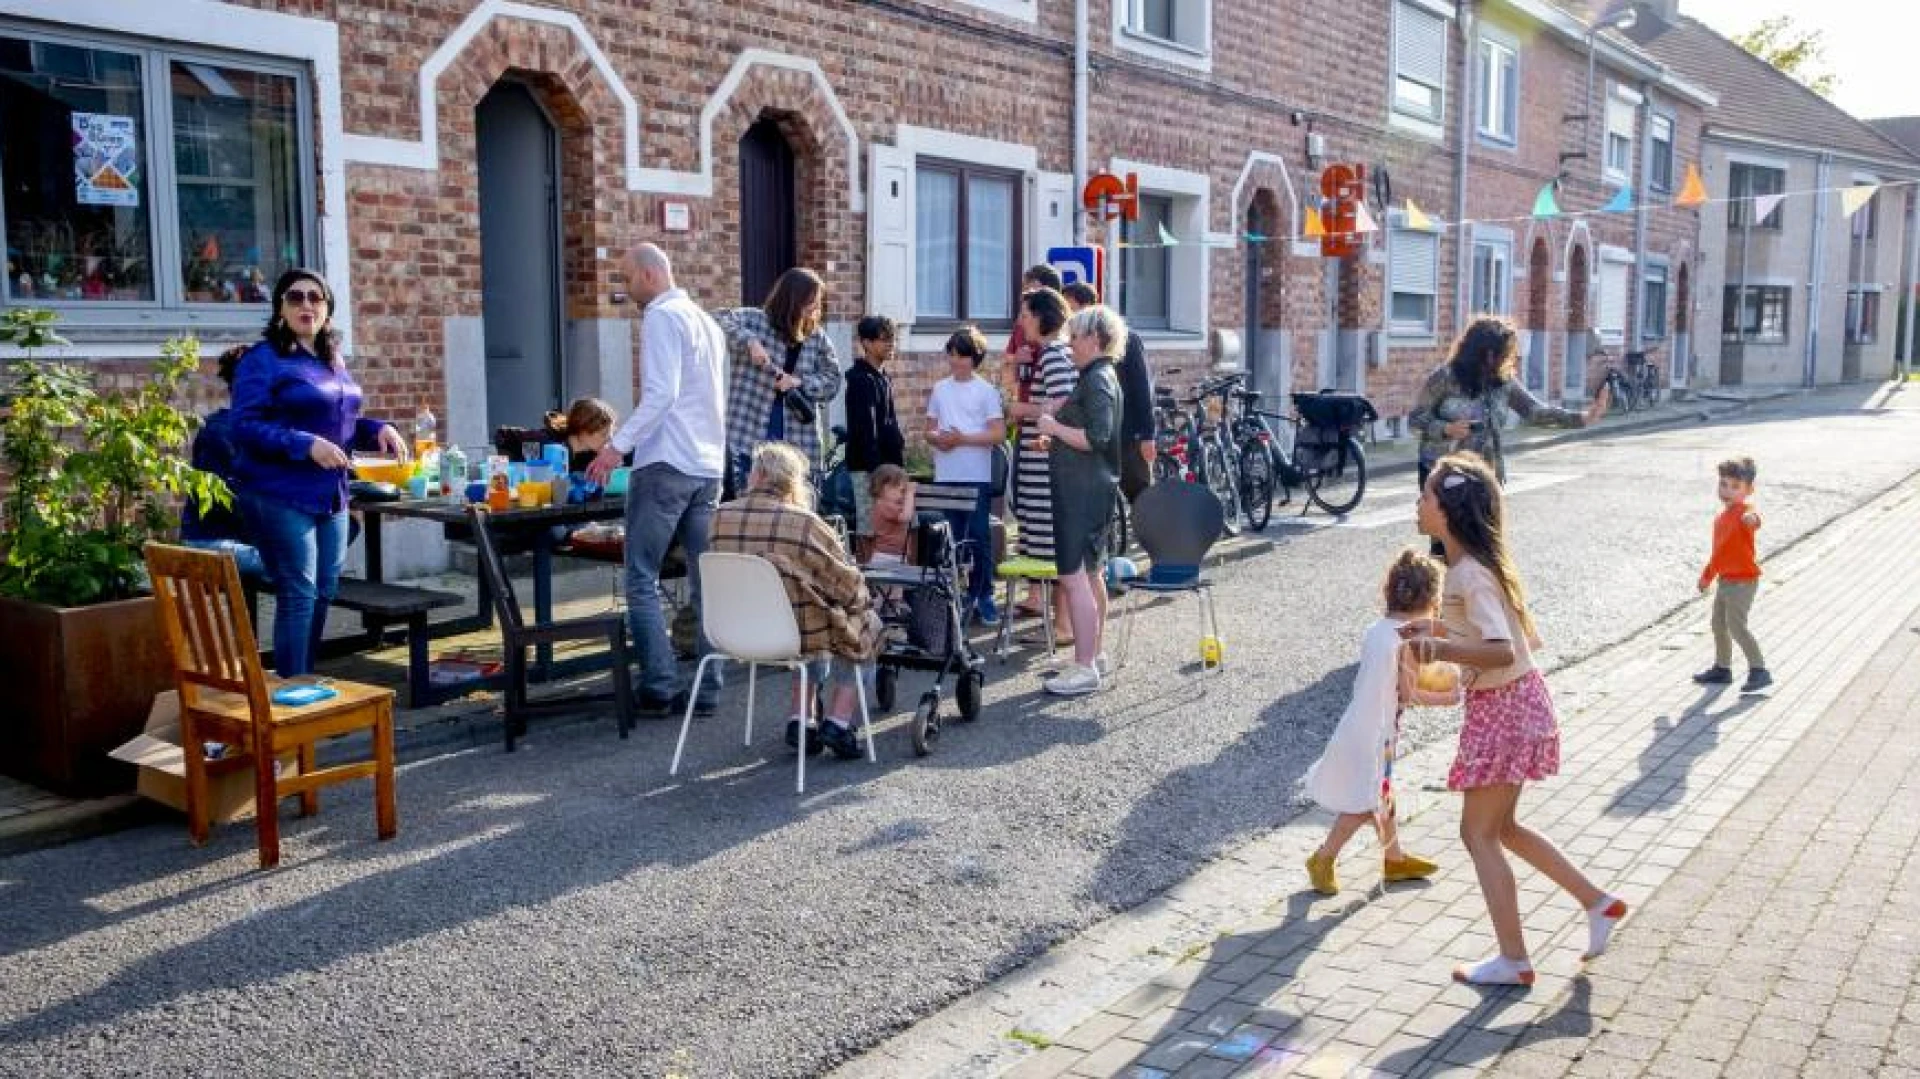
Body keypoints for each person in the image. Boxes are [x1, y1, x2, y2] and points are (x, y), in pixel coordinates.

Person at [1404, 452, 1626, 986]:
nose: (1418, 502)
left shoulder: (1467, 575)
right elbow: (1501, 640)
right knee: (1500, 828)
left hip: (1504, 710)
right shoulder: (1470, 570)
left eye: (1426, 494)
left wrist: (1440, 649)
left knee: (1477, 835)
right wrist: (1440, 637)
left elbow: (1501, 651)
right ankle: (1597, 903)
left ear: (1448, 511)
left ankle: (1514, 959)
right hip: (1514, 706)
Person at [230, 269, 410, 678]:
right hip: (279, 492)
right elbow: (244, 426)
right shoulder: (263, 360)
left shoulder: (330, 360)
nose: (306, 305)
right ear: (280, 308)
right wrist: (304, 444)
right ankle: (293, 695)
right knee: (299, 592)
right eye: (295, 297)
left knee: (324, 590)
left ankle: (302, 677)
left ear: (328, 309)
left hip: (331, 494)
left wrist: (377, 428)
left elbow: (342, 421)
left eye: (316, 298)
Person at [588, 244, 727, 717]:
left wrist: (615, 446)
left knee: (640, 576)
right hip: (708, 464)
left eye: (628, 279)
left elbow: (661, 395)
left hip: (667, 461)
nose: (626, 289)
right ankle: (708, 688)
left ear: (650, 274)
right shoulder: (707, 322)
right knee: (706, 580)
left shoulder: (662, 317)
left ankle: (660, 685)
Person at [709, 442, 883, 761]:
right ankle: (839, 722)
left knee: (808, 611)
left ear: (759, 475)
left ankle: (800, 718)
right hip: (795, 633)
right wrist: (861, 602)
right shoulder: (804, 523)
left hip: (735, 632)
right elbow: (846, 582)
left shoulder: (719, 517)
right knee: (863, 623)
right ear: (791, 481)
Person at [1302, 549, 1457, 896]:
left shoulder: (1377, 629)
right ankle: (1323, 858)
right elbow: (1408, 694)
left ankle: (1395, 859)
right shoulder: (1409, 639)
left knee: (1381, 793)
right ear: (1433, 599)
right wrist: (1450, 697)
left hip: (1358, 724)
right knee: (1367, 801)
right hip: (1376, 734)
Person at [1033, 304, 1125, 697]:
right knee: (1091, 573)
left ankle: (1085, 666)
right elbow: (1089, 430)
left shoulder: (1097, 379)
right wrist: (1059, 421)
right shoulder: (1097, 377)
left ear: (1095, 339)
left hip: (1081, 492)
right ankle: (1093, 654)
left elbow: (1096, 438)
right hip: (1092, 488)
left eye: (1076, 336)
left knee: (1074, 576)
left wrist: (1053, 425)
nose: (1070, 343)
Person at [1409, 316, 1609, 488]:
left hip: (1485, 475)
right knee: (1449, 533)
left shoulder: (1503, 382)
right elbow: (1415, 420)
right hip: (1443, 473)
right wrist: (1446, 429)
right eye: (1502, 353)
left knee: (1483, 533)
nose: (1506, 359)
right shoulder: (1445, 377)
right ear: (1484, 352)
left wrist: (1583, 418)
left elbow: (1535, 412)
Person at [714, 268, 843, 496]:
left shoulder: (817, 337)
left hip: (799, 443)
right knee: (746, 502)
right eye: (810, 300)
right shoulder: (754, 320)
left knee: (794, 507)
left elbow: (833, 379)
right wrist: (750, 342)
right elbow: (715, 318)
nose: (815, 307)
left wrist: (799, 383)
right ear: (793, 298)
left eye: (817, 300)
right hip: (748, 432)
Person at [1006, 288, 1076, 640]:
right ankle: (1058, 623)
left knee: (1052, 547)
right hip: (1044, 463)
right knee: (1048, 545)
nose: (1022, 321)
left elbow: (1063, 402)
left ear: (1042, 316)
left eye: (1026, 314)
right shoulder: (1056, 352)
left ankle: (1062, 626)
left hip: (1044, 467)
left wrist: (1025, 410)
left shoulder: (1051, 355)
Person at [925, 327, 1007, 624]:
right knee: (951, 537)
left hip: (976, 474)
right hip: (946, 472)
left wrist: (963, 440)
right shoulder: (939, 389)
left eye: (963, 355)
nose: (956, 360)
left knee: (978, 536)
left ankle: (983, 594)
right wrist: (938, 439)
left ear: (975, 358)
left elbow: (997, 434)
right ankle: (955, 596)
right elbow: (929, 428)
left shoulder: (986, 391)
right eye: (953, 354)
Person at [179, 345, 267, 580]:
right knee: (301, 561)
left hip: (238, 542)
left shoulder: (258, 430)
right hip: (213, 545)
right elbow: (227, 504)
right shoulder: (220, 432)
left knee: (342, 530)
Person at [1064, 282, 1156, 502]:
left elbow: (1141, 387)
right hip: (1103, 433)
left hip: (1129, 432)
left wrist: (1147, 435)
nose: (1067, 314)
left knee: (1140, 497)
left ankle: (1152, 535)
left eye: (1071, 307)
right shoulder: (1077, 347)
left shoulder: (1127, 339)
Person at [1693, 456, 1771, 693]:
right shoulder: (1722, 517)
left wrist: (1752, 520)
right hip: (1726, 580)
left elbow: (1754, 519)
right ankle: (1723, 668)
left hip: (1743, 582)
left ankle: (1759, 670)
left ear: (1749, 490)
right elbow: (1719, 553)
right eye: (1723, 484)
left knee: (1736, 626)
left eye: (1735, 487)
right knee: (1718, 624)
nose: (1727, 490)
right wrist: (1707, 576)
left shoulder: (1744, 511)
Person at [843, 315, 904, 534]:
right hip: (868, 468)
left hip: (888, 465)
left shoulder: (883, 377)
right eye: (884, 339)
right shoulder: (860, 380)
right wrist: (876, 470)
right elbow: (865, 430)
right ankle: (865, 567)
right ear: (867, 343)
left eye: (893, 339)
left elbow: (890, 424)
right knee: (869, 526)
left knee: (894, 526)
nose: (891, 345)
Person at [492, 397, 618, 475]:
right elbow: (503, 435)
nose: (609, 439)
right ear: (583, 430)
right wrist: (520, 465)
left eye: (611, 433)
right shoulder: (544, 442)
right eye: (604, 434)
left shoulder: (590, 455)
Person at [1002, 264, 1064, 375]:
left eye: (1027, 288)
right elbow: (1007, 358)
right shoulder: (1022, 322)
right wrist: (1016, 358)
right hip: (1027, 390)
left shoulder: (1065, 327)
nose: (1023, 294)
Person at [863, 464, 916, 567]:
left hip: (894, 555)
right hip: (887, 557)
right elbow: (906, 517)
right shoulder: (885, 506)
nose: (902, 495)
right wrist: (910, 494)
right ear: (885, 488)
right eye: (900, 491)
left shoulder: (882, 503)